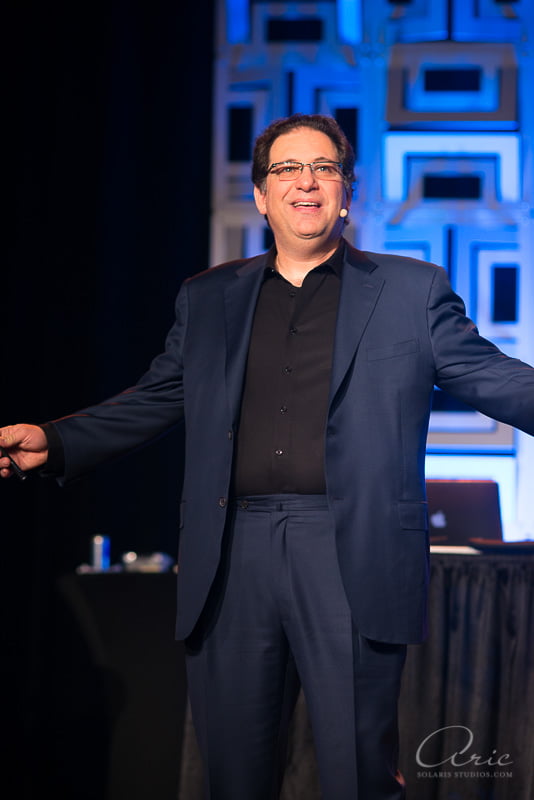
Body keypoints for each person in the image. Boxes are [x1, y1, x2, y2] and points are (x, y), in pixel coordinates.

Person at [2, 113, 534, 800]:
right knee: (234, 775)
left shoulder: (412, 291)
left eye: (324, 168)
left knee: (359, 776)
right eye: (287, 169)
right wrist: (58, 440)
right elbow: (159, 397)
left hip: (351, 551)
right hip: (233, 554)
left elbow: (493, 377)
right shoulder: (208, 297)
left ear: (347, 193)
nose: (305, 182)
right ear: (260, 195)